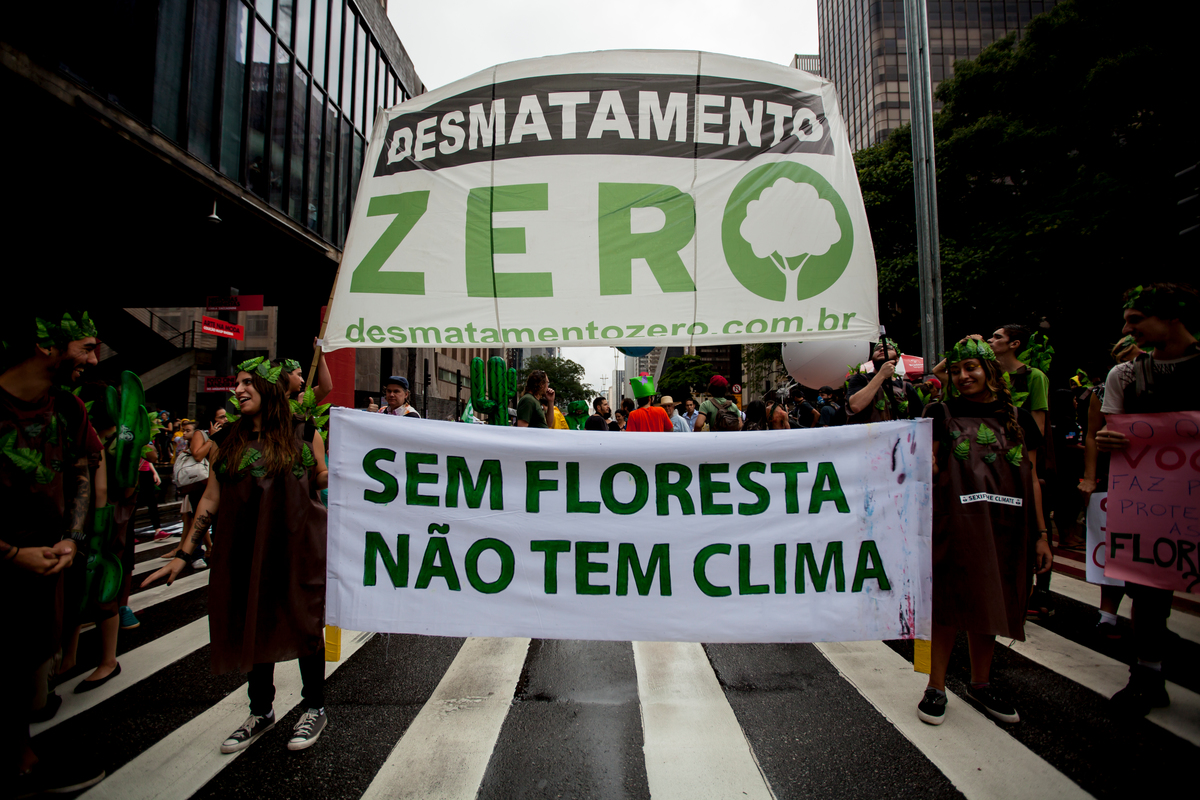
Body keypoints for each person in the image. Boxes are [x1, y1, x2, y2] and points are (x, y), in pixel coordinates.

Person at [142, 356, 330, 752]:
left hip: (299, 547)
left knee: (306, 623)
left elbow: (322, 477)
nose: (238, 390)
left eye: (248, 383)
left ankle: (314, 707)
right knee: (254, 622)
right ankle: (261, 711)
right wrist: (183, 553)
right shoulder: (230, 440)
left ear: (270, 389)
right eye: (238, 384)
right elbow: (212, 495)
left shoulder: (305, 431)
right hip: (246, 548)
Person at [917, 337, 1051, 727]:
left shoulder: (1019, 418)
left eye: (971, 368)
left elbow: (1033, 479)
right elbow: (930, 468)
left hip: (1005, 526)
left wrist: (1042, 534)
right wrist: (930, 465)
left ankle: (980, 683)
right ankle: (935, 686)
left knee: (990, 599)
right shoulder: (939, 412)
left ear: (990, 371)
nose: (963, 376)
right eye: (957, 370)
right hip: (953, 524)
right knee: (945, 602)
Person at [1, 310, 106, 794]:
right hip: (9, 559)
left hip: (44, 562)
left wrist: (72, 537)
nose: (94, 357)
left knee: (27, 657)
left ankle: (22, 755)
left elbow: (81, 470)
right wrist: (9, 554)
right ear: (47, 346)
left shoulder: (67, 407)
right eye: (85, 347)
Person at [1095, 282, 1199, 716]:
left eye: (1136, 320)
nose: (1127, 329)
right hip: (1153, 505)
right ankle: (1146, 675)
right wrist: (1108, 441)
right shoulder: (1124, 376)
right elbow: (1111, 428)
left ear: (1172, 316)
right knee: (1147, 592)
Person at [1078, 335, 1142, 638]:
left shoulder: (1164, 382)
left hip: (1155, 477)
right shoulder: (1103, 390)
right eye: (1122, 358)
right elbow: (1092, 434)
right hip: (1112, 474)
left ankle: (1149, 620)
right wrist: (1090, 477)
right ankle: (1108, 616)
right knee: (1111, 544)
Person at [846, 339, 922, 424]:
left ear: (897, 358)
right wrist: (881, 375)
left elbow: (920, 418)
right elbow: (856, 406)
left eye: (888, 347)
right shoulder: (860, 379)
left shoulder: (905, 387)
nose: (881, 349)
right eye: (877, 349)